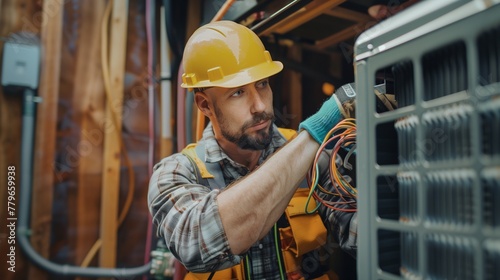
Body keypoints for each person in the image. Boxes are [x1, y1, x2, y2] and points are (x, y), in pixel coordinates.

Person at [148, 20, 357, 280]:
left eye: (262, 84)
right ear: (205, 105)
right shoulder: (175, 173)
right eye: (238, 92)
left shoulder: (316, 157)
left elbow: (361, 237)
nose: (260, 106)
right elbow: (196, 245)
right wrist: (317, 131)